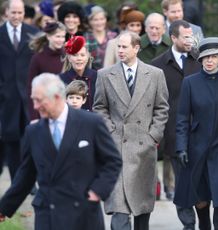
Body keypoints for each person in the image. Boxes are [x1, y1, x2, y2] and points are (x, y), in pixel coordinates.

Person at [0, 73, 122, 230]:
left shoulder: (91, 123)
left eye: (39, 100)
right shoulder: (33, 131)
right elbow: (26, 175)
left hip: (84, 213)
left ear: (57, 97)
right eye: (33, 100)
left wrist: (97, 192)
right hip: (48, 215)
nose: (35, 106)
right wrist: (4, 207)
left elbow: (113, 161)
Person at [93, 31, 169, 230]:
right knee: (119, 208)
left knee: (142, 208)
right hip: (116, 147)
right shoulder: (105, 74)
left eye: (124, 46)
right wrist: (110, 132)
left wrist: (153, 135)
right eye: (118, 46)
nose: (120, 50)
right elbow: (99, 107)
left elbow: (162, 108)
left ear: (136, 48)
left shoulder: (154, 74)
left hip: (144, 148)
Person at [174, 37, 218, 230]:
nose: (209, 60)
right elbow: (182, 118)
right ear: (200, 60)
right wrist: (181, 147)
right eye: (206, 57)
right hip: (197, 147)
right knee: (201, 197)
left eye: (214, 56)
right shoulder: (190, 83)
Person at [151, 20, 202, 229]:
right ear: (173, 38)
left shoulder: (201, 60)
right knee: (181, 184)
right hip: (173, 135)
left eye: (192, 36)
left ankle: (205, 222)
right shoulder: (157, 65)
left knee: (201, 182)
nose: (190, 41)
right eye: (186, 37)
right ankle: (188, 224)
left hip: (201, 133)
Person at [0, 0, 38, 181]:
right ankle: (17, 181)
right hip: (5, 99)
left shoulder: (34, 34)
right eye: (13, 12)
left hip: (30, 97)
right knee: (11, 141)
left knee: (31, 140)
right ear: (6, 13)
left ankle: (29, 181)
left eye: (19, 13)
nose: (16, 16)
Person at [28, 21, 66, 120]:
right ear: (48, 37)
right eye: (57, 36)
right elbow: (30, 88)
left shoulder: (67, 56)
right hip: (45, 108)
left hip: (65, 106)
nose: (61, 40)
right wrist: (34, 117)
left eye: (63, 37)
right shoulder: (38, 58)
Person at [60, 35, 97, 111]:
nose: (79, 58)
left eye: (82, 55)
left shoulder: (98, 77)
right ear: (69, 58)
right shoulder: (60, 80)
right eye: (75, 55)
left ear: (87, 57)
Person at [85, 5, 117, 70]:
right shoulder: (85, 38)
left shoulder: (114, 36)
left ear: (106, 20)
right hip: (92, 76)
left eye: (102, 19)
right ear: (90, 21)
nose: (99, 22)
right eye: (95, 20)